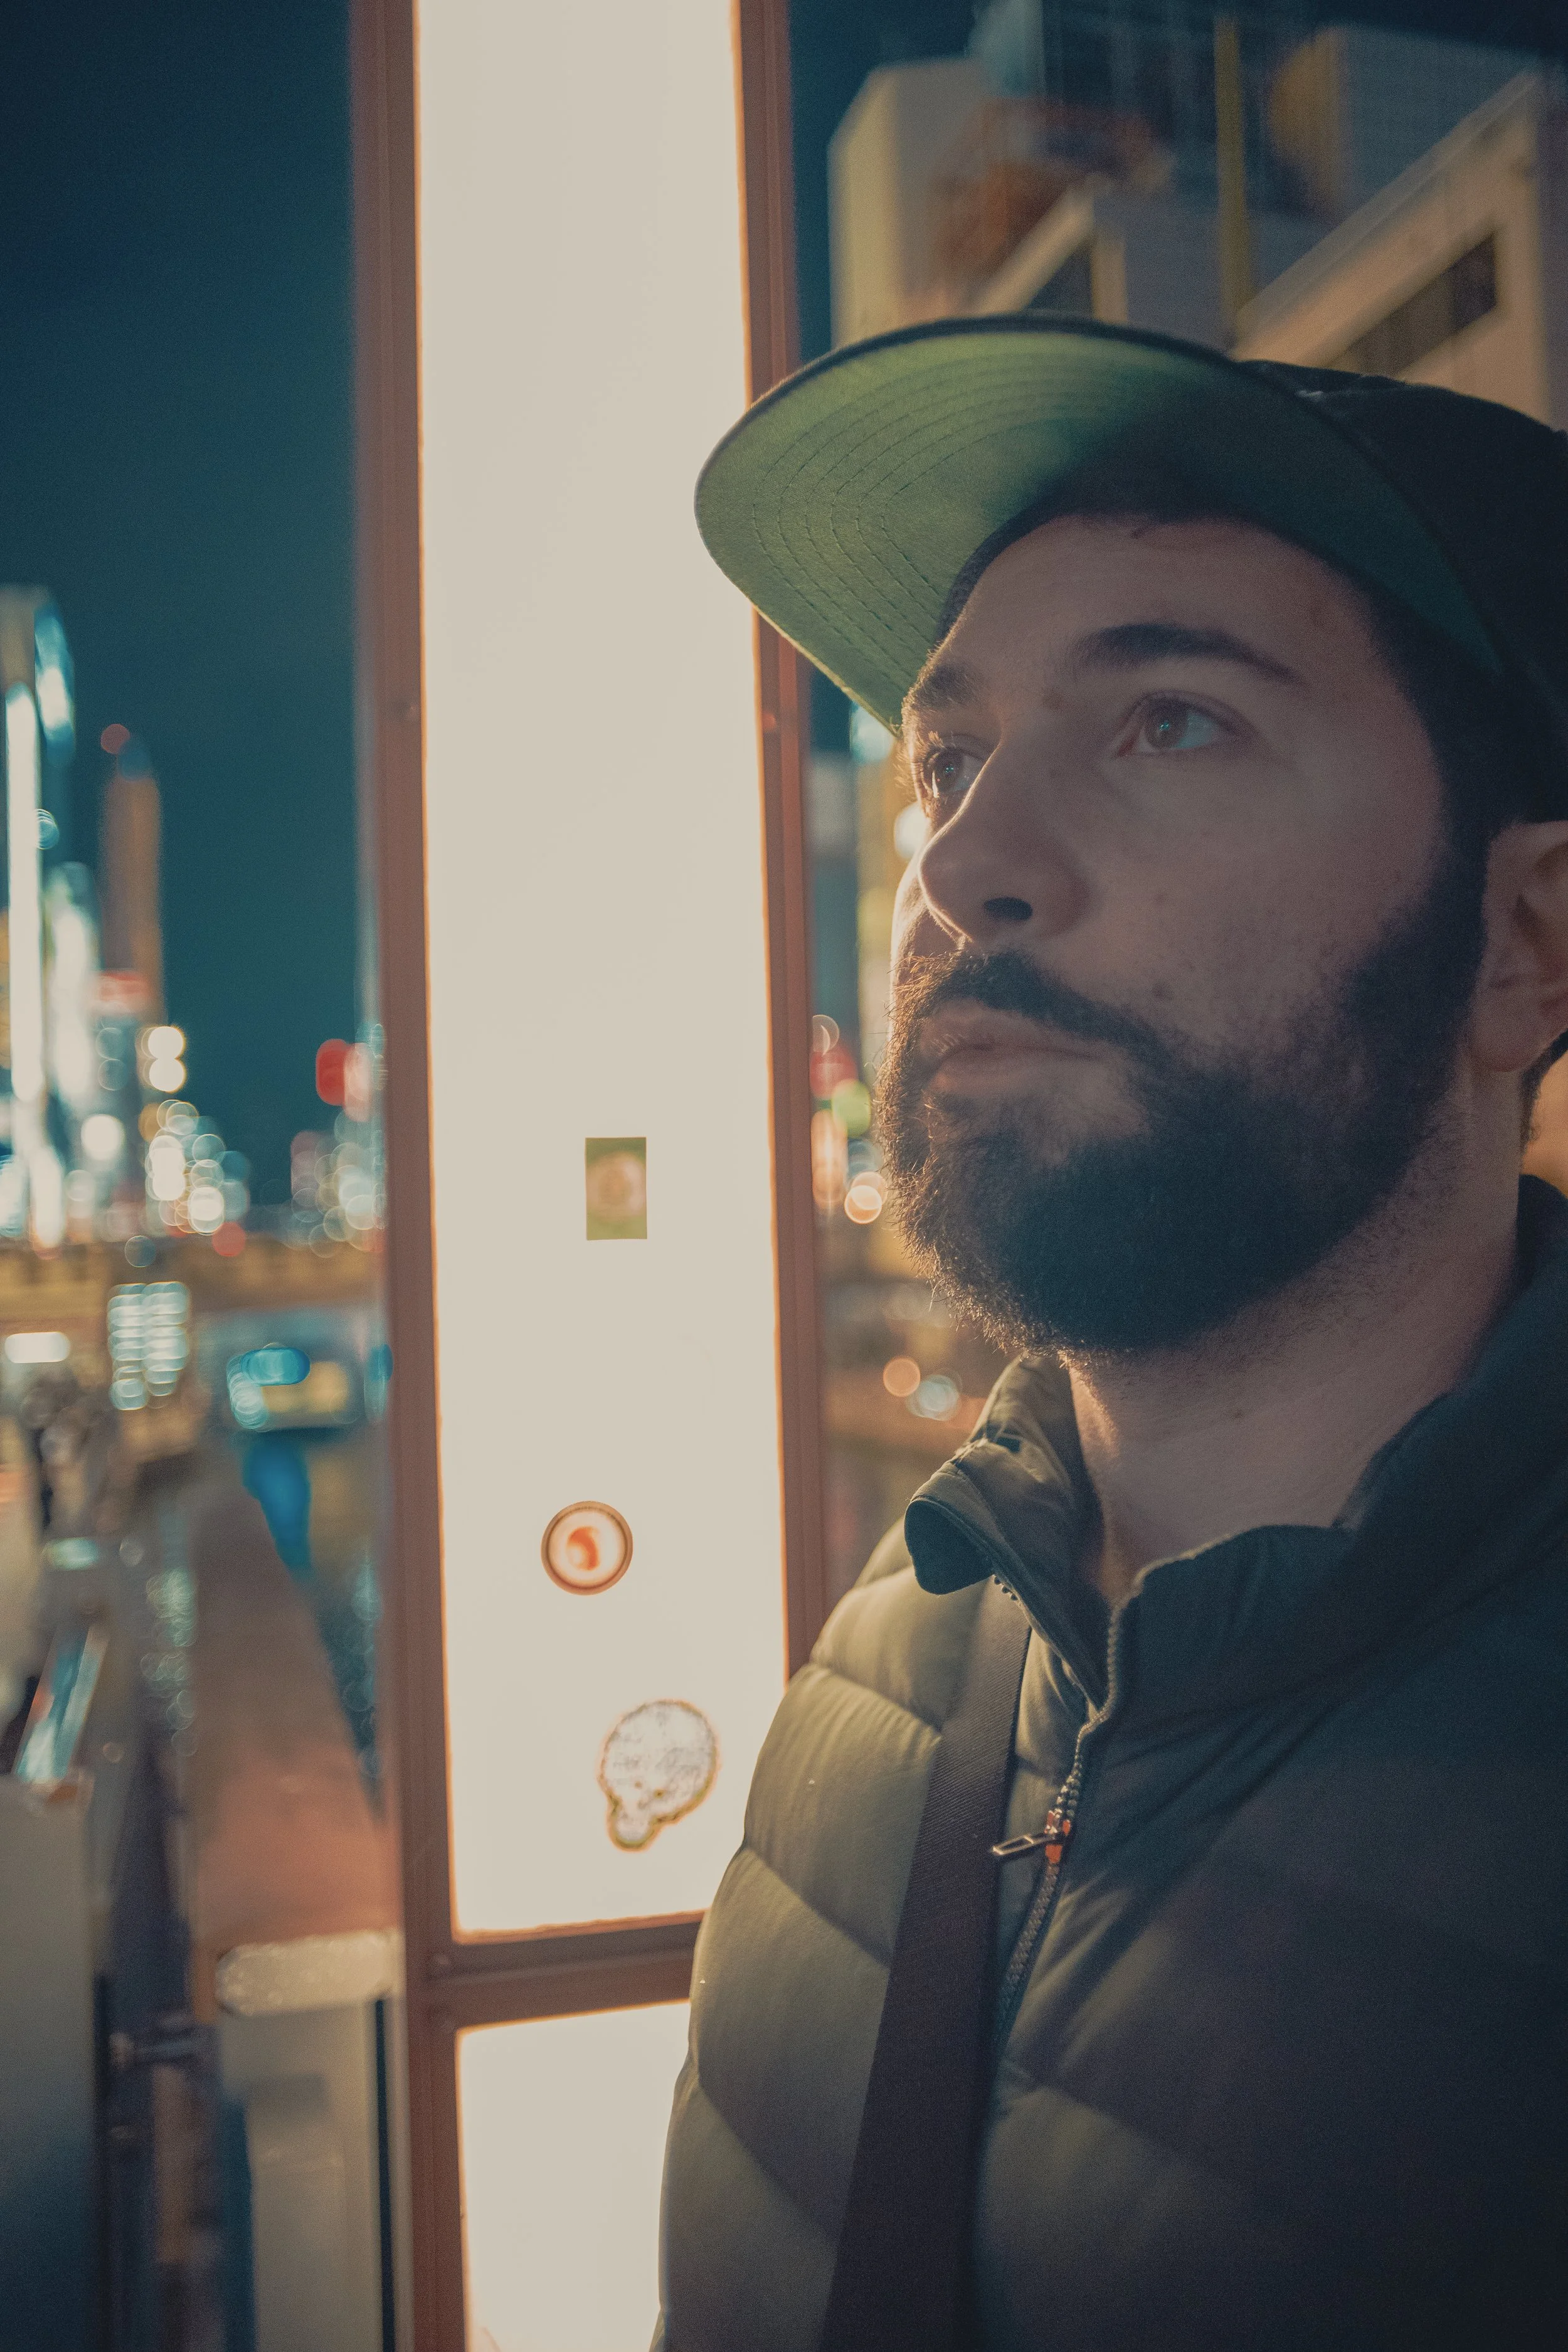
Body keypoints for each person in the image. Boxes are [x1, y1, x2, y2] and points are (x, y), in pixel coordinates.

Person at [655, 319, 1568, 2351]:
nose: (964, 863)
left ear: (1524, 940)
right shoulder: (888, 1652)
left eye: (1169, 722)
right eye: (947, 757)